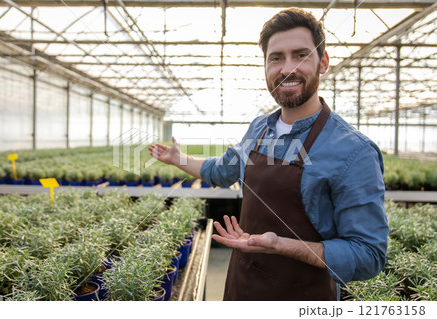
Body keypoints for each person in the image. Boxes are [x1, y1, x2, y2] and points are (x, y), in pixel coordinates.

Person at [149, 7, 388, 301]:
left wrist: (281, 245)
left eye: (301, 55)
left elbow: (369, 254)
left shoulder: (354, 151)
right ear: (265, 66)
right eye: (276, 58)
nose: (287, 68)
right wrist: (179, 159)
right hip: (241, 286)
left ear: (323, 62)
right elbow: (223, 171)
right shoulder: (260, 128)